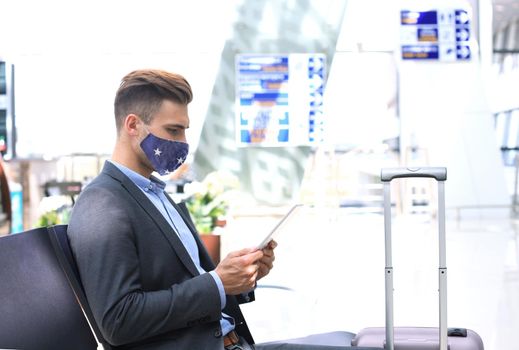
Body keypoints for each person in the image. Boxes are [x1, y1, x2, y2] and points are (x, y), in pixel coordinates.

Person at [68, 69, 358, 350]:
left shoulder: (155, 194)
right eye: (173, 130)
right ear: (133, 125)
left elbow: (193, 282)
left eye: (184, 131)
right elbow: (118, 321)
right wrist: (217, 282)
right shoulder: (102, 203)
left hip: (231, 341)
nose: (182, 143)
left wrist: (240, 278)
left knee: (354, 340)